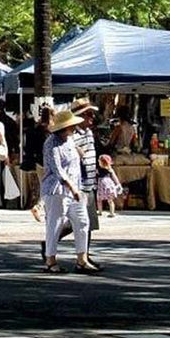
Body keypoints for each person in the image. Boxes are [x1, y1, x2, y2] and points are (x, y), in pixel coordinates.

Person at [42, 108, 96, 274]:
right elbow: (58, 170)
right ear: (63, 128)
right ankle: (50, 260)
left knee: (82, 221)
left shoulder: (70, 140)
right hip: (57, 189)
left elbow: (75, 164)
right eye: (71, 126)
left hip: (75, 188)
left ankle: (82, 259)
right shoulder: (51, 143)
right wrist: (72, 188)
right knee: (55, 224)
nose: (74, 128)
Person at [70, 98, 102, 261]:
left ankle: (85, 256)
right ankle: (82, 257)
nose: (92, 117)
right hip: (78, 185)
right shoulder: (72, 135)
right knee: (81, 222)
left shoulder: (89, 132)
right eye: (89, 114)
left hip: (89, 183)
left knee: (87, 223)